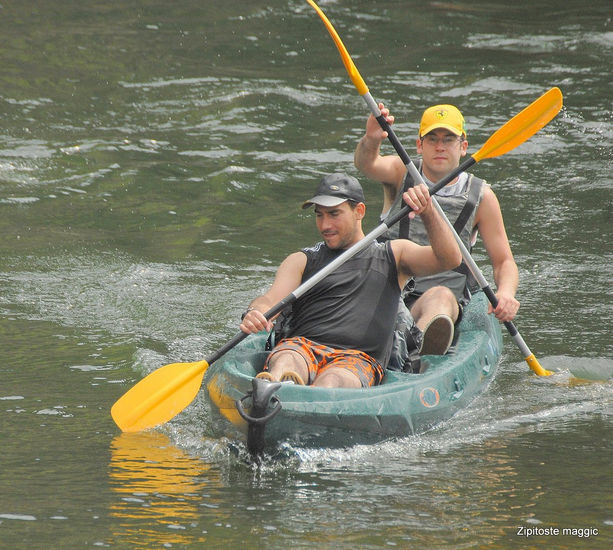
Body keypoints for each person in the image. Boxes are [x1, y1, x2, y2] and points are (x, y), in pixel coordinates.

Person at [239, 172, 461, 388]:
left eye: (334, 214)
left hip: (357, 360)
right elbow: (269, 301)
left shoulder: (394, 255)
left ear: (359, 211)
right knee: (287, 359)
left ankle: (304, 402)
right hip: (301, 347)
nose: (325, 225)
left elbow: (449, 259)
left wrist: (428, 212)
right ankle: (276, 388)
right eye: (319, 215)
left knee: (332, 380)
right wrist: (255, 313)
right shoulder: (301, 261)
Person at [354, 103, 519, 356]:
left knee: (441, 298)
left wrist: (506, 293)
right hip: (389, 288)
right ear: (420, 146)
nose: (440, 147)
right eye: (432, 139)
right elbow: (367, 164)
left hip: (441, 297)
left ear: (463, 147)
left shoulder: (482, 198)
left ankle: (412, 351)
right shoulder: (402, 172)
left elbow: (504, 261)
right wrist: (371, 139)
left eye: (448, 139)